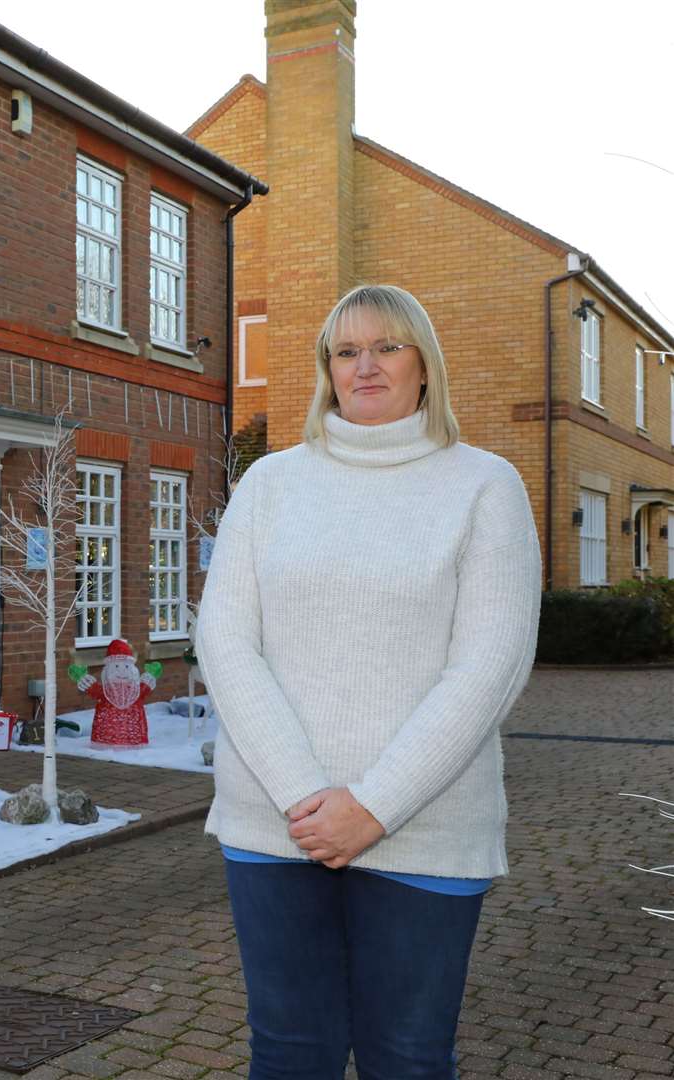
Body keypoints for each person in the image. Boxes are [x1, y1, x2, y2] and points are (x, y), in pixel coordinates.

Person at [195, 284, 541, 1078]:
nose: (367, 365)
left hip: (428, 830)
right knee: (289, 1054)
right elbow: (225, 641)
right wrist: (304, 798)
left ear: (425, 364)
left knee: (408, 1058)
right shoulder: (270, 485)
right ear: (327, 371)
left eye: (387, 346)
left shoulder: (485, 485)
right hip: (273, 826)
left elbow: (489, 666)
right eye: (346, 351)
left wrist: (374, 806)